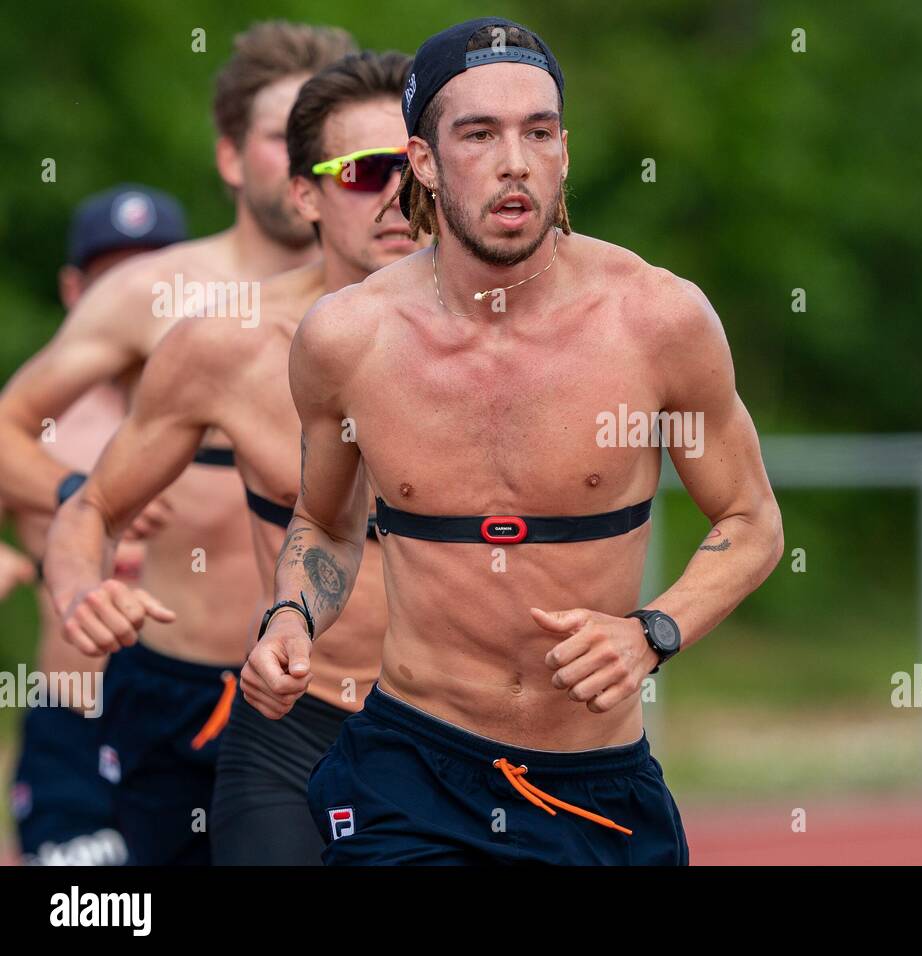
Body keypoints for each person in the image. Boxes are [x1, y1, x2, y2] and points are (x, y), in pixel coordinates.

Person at [255, 17, 783, 865]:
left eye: (538, 131)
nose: (514, 161)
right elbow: (326, 526)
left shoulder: (658, 320)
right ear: (422, 161)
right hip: (412, 771)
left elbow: (753, 522)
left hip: (595, 782)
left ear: (565, 152)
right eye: (479, 133)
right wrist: (290, 618)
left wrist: (652, 632)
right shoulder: (348, 340)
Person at [45, 50, 424, 865]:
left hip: (461, 731)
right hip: (296, 727)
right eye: (363, 172)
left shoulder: (520, 347)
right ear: (304, 194)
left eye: (414, 169)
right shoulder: (229, 349)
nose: (397, 196)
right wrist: (81, 587)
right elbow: (93, 508)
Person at [4, 184, 187, 865]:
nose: (134, 297)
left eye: (153, 275)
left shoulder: (233, 395)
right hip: (75, 723)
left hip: (204, 716)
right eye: (114, 279)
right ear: (73, 288)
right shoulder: (30, 422)